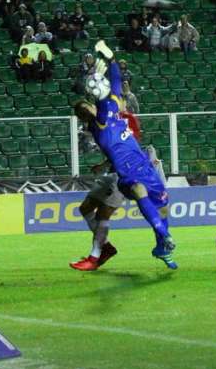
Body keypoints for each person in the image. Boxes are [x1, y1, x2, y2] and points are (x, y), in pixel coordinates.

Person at [73, 41, 177, 269]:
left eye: (86, 106)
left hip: (136, 165)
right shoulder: (99, 122)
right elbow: (107, 96)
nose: (86, 110)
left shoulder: (112, 110)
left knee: (160, 207)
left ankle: (160, 247)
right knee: (102, 210)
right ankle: (100, 252)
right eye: (82, 112)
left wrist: (111, 61)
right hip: (124, 172)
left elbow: (116, 85)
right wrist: (98, 84)